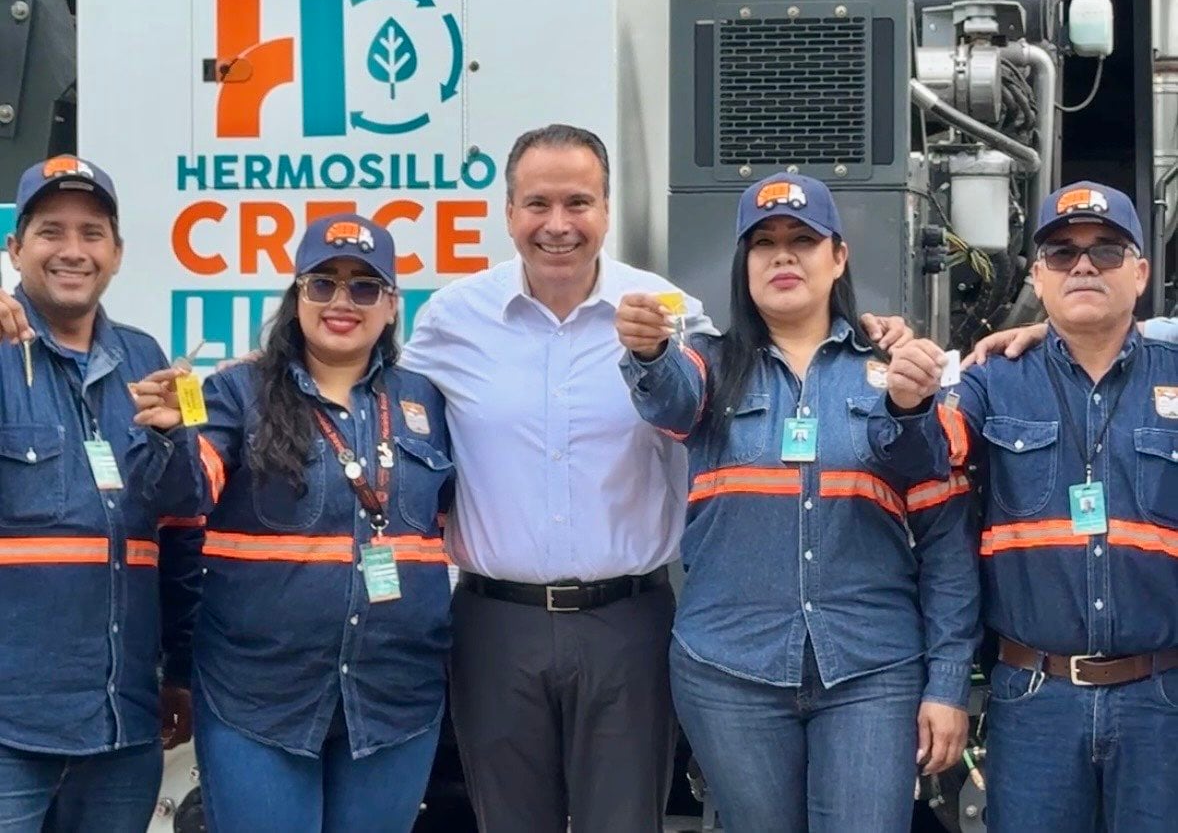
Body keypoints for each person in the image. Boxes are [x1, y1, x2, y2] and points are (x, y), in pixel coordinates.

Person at [400, 126, 914, 832]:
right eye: (537, 203)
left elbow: (738, 365)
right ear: (509, 211)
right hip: (496, 623)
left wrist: (867, 334)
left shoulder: (665, 312)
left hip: (628, 623)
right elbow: (372, 401)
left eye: (578, 202)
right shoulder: (451, 321)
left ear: (608, 210)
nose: (558, 224)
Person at [613, 171, 979, 833]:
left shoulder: (897, 371)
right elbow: (666, 394)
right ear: (744, 264)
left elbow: (947, 541)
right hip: (728, 673)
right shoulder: (707, 364)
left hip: (873, 671)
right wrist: (646, 351)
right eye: (764, 243)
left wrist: (948, 684)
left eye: (803, 239)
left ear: (838, 256)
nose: (783, 255)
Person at [134, 214, 454, 832]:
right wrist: (174, 436)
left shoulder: (429, 403)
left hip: (394, 700)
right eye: (323, 284)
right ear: (297, 296)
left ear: (392, 306)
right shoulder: (234, 392)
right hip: (259, 699)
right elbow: (190, 490)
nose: (343, 302)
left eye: (365, 287)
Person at [880, 181, 1178, 832]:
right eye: (1062, 255)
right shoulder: (992, 380)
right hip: (1035, 698)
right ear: (1037, 277)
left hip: (1163, 700)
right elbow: (925, 461)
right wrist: (907, 404)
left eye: (1105, 252)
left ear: (1141, 271)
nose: (1082, 266)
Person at [0, 155, 200, 831]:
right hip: (9, 733)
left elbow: (186, 521)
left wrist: (183, 669)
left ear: (116, 254)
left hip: (125, 726)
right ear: (14, 248)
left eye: (93, 233)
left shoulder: (151, 359)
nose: (73, 251)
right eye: (51, 231)